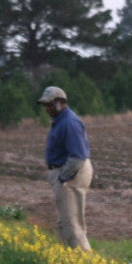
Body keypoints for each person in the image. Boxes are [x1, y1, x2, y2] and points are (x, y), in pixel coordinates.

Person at [37, 86, 93, 251]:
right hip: (67, 172)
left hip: (71, 174)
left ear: (61, 102)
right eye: (45, 105)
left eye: (49, 104)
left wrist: (63, 178)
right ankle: (67, 258)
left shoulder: (69, 123)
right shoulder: (61, 120)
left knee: (72, 223)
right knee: (64, 221)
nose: (46, 108)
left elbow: (78, 157)